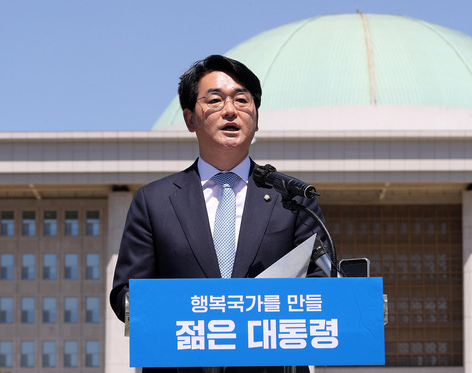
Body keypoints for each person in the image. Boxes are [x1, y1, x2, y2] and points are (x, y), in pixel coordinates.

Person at [110, 55, 327, 373]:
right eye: (215, 100)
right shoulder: (154, 201)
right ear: (189, 119)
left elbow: (322, 285)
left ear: (256, 115)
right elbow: (126, 293)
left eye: (242, 100)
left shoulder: (292, 198)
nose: (230, 111)